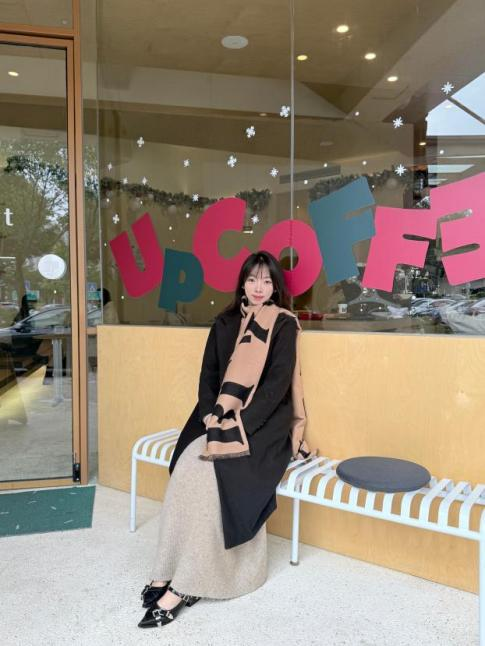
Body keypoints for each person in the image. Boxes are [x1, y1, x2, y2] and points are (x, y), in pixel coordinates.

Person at [138, 250, 314, 629]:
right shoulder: (224, 322)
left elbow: (277, 385)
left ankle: (188, 583)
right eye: (252, 279)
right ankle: (167, 567)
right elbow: (208, 376)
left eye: (266, 281)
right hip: (216, 415)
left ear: (275, 287)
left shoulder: (283, 324)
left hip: (263, 422)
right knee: (187, 467)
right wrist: (210, 416)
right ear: (242, 283)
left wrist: (240, 425)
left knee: (215, 474)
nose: (258, 287)